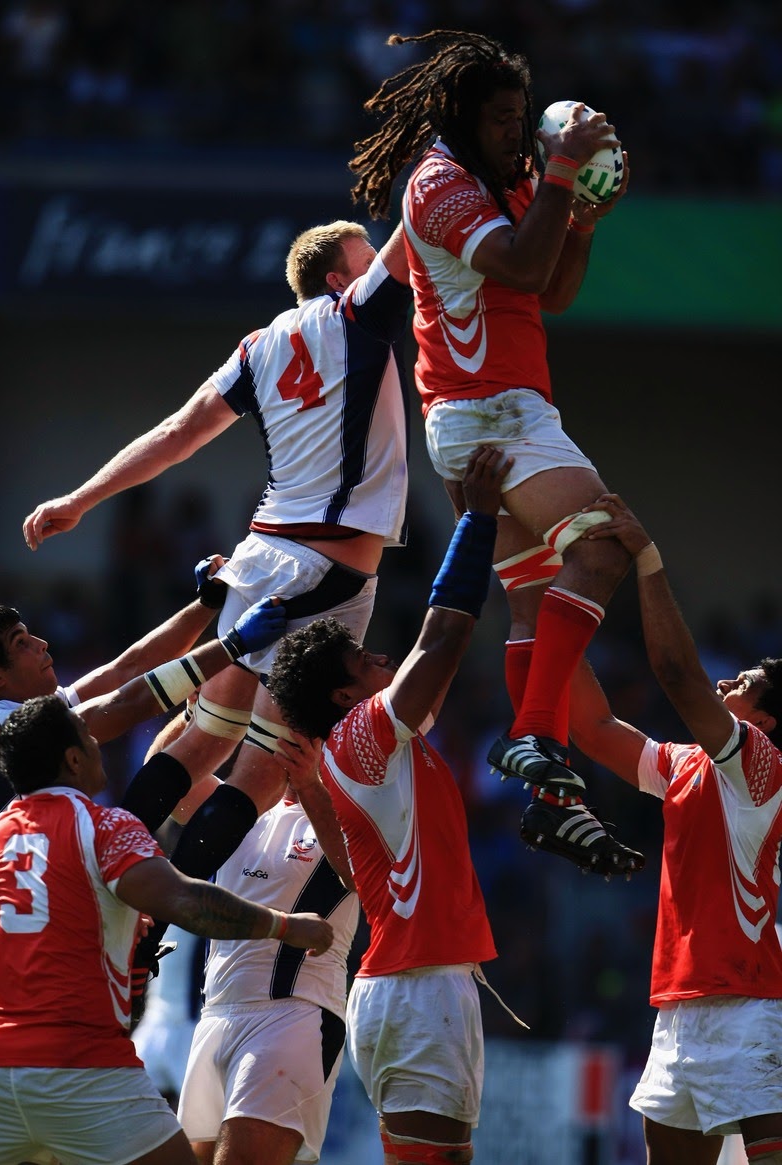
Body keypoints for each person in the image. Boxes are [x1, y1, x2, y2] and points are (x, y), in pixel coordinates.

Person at [21, 218, 412, 895]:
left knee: (200, 743)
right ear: (338, 280)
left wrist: (82, 498)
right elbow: (421, 218)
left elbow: (179, 433)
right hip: (327, 573)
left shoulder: (257, 346)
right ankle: (158, 916)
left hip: (257, 559)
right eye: (366, 257)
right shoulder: (357, 312)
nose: (378, 262)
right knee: (261, 774)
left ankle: (103, 877)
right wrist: (455, 161)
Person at [348, 29, 640, 877]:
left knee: (533, 602)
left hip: (495, 413)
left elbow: (555, 288)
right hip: (492, 410)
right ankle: (534, 734)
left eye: (523, 116)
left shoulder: (508, 177)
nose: (518, 132)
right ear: (464, 118)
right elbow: (517, 267)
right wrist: (561, 173)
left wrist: (581, 220)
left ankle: (552, 797)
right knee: (605, 545)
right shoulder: (438, 184)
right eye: (504, 118)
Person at [268, 447, 516, 1165]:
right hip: (418, 987)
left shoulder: (374, 750)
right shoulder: (363, 734)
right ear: (344, 696)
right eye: (366, 661)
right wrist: (476, 521)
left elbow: (359, 877)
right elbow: (444, 637)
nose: (383, 660)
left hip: (412, 983)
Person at [0, 695, 332, 1165]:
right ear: (72, 760)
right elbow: (187, 902)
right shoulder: (105, 825)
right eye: (87, 737)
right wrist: (286, 926)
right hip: (79, 1065)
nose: (97, 744)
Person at [567, 493, 782, 1165]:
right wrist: (547, 610)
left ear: (766, 722)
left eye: (744, 682)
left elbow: (678, 674)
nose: (725, 681)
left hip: (750, 1010)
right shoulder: (689, 765)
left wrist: (647, 558)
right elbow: (593, 728)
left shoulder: (762, 767)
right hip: (678, 1011)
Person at [176, 731, 359, 1165]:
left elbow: (360, 874)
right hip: (216, 1014)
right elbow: (169, 778)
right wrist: (200, 712)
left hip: (293, 1014)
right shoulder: (241, 810)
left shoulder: (349, 813)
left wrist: (310, 783)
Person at [0, 557, 226, 826]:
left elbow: (128, 668)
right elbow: (128, 703)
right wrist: (234, 646)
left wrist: (208, 603)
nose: (41, 643)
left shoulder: (29, 709)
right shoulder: (3, 728)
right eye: (20, 643)